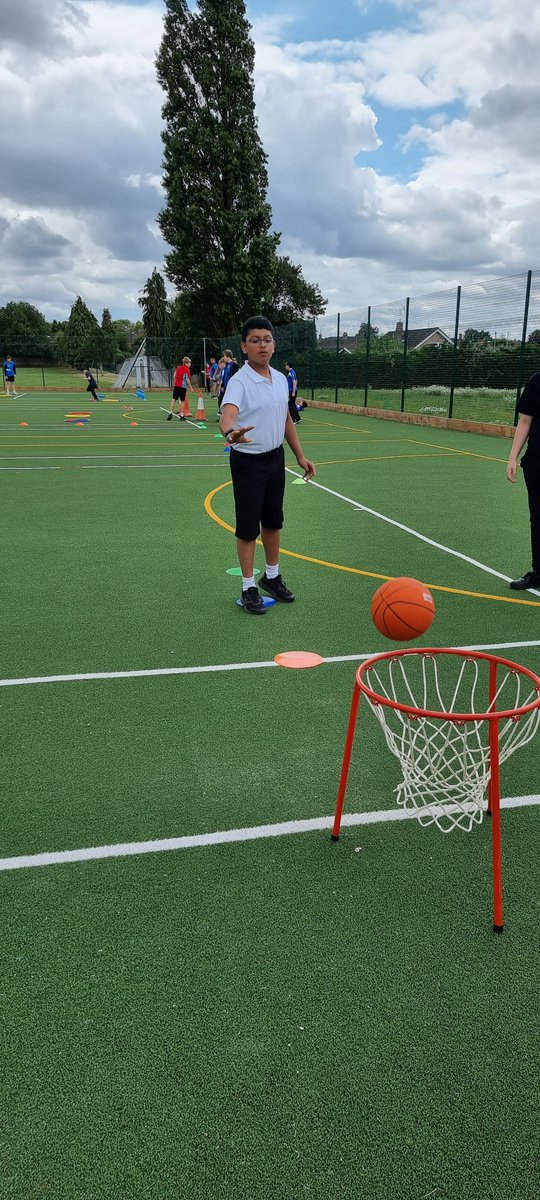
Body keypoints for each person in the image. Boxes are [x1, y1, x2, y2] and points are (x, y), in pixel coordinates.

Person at [219, 315, 316, 615]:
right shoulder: (239, 382)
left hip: (275, 458)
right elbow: (228, 415)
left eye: (267, 340)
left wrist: (299, 455)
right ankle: (248, 586)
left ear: (274, 345)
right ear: (244, 347)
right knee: (248, 527)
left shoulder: (281, 379)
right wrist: (230, 433)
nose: (262, 345)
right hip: (248, 461)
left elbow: (286, 419)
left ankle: (271, 577)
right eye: (255, 340)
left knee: (274, 521)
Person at [506, 371, 540, 590]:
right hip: (536, 462)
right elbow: (525, 421)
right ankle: (539, 573)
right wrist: (512, 457)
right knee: (537, 518)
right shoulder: (537, 381)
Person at [216, 349, 238, 420]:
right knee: (223, 402)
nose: (224, 357)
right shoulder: (226, 365)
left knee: (231, 403)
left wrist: (232, 387)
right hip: (225, 387)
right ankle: (224, 416)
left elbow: (233, 377)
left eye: (224, 356)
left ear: (228, 356)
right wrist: (222, 386)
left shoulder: (234, 365)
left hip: (231, 388)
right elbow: (224, 376)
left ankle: (232, 417)